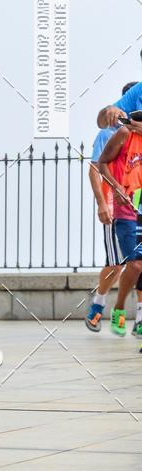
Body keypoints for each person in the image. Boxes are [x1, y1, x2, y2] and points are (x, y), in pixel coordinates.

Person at [86, 82, 140, 332]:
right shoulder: (110, 133)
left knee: (137, 263)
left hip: (136, 204)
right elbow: (96, 168)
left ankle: (138, 317)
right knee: (117, 263)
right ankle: (98, 304)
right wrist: (101, 203)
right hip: (115, 204)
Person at [96, 124, 142, 335]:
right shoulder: (124, 134)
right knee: (133, 266)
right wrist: (115, 189)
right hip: (126, 209)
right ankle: (119, 307)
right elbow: (101, 164)